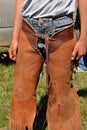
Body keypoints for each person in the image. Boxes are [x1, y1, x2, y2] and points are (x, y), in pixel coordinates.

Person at [9, 0, 87, 130]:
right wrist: (15, 37)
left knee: (62, 98)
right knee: (21, 95)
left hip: (62, 30)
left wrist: (84, 38)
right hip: (28, 28)